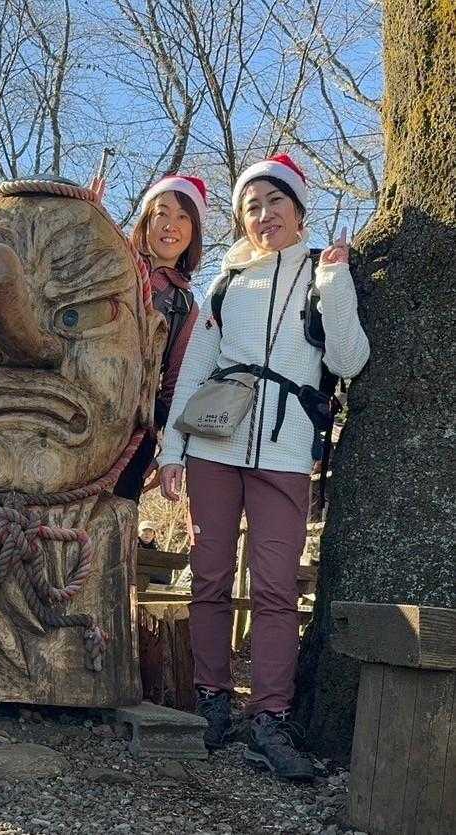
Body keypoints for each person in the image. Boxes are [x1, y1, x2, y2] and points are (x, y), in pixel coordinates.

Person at [159, 154, 369, 779]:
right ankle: (211, 700)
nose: (263, 214)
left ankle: (270, 717)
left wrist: (334, 284)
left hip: (285, 451)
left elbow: (349, 361)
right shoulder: (227, 283)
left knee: (276, 587)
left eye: (275, 201)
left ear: (299, 211)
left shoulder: (324, 271)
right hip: (214, 448)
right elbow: (195, 370)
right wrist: (173, 452)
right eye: (251, 206)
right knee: (209, 576)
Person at [114, 174, 207, 501]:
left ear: (193, 232)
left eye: (183, 217)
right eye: (162, 213)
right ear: (146, 222)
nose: (171, 225)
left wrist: (162, 445)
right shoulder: (113, 268)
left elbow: (176, 384)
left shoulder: (186, 306)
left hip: (133, 432)